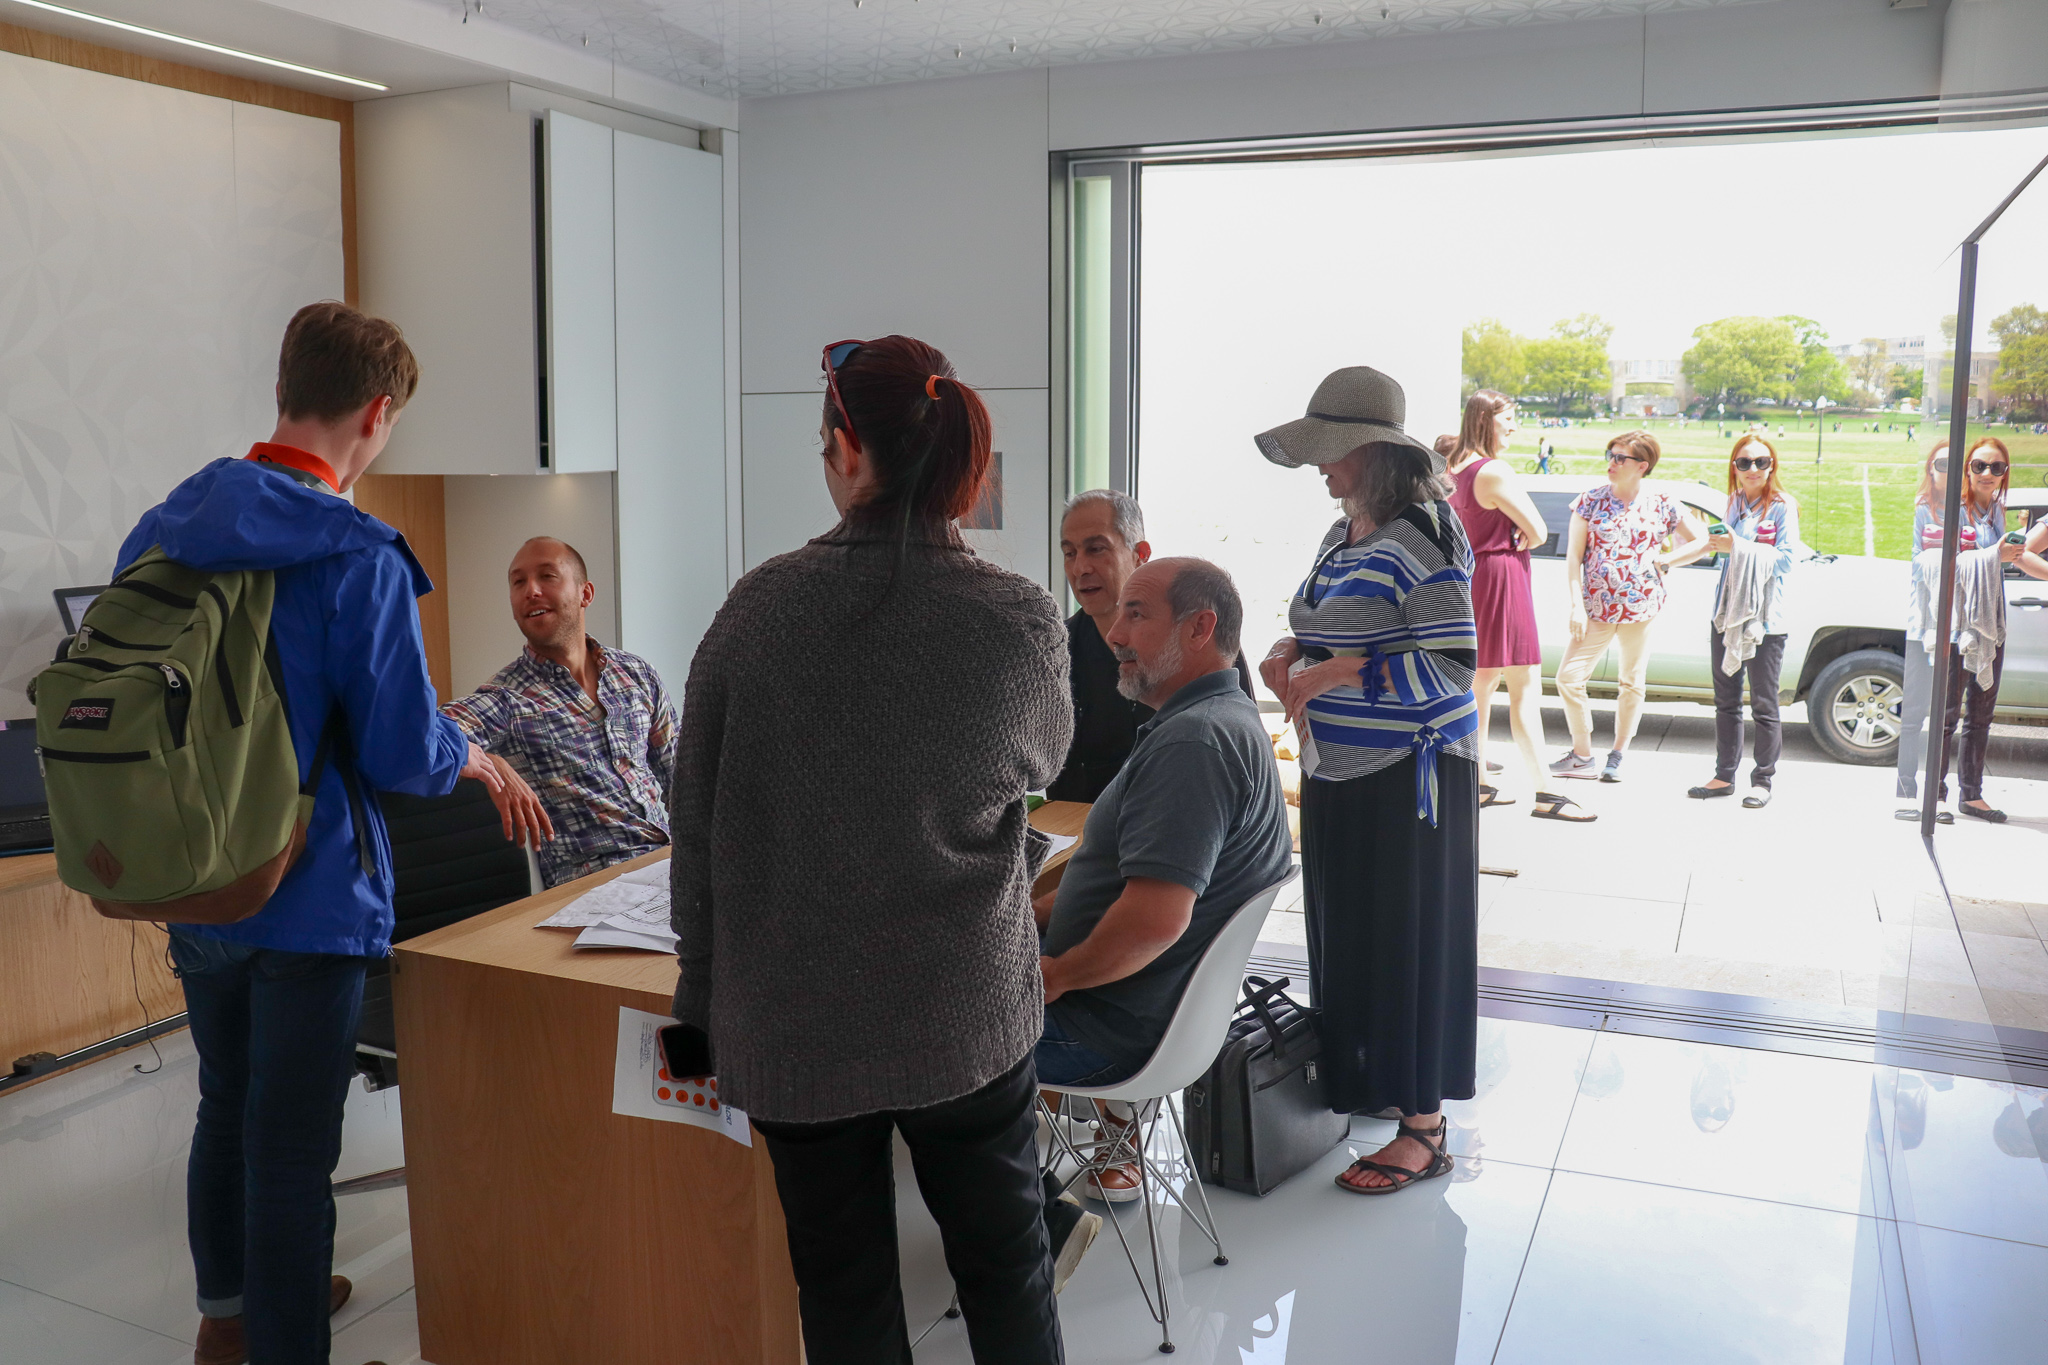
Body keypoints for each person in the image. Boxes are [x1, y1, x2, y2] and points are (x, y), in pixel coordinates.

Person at [120, 302, 510, 1365]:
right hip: (310, 888)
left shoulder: (164, 523)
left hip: (191, 875)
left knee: (224, 1105)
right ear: (377, 414)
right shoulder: (358, 551)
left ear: (286, 389)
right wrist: (463, 750)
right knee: (291, 1147)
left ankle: (227, 1318)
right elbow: (398, 751)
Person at [668, 335, 1070, 1364]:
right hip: (965, 1006)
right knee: (1007, 1271)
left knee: (842, 1293)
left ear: (848, 451)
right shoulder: (1019, 617)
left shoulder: (758, 610)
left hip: (796, 1022)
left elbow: (696, 825)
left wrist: (698, 999)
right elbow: (1041, 760)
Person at [1253, 365, 1479, 1196]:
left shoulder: (1425, 534)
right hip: (1339, 768)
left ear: (1371, 451)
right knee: (1352, 940)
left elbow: (1453, 665)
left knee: (1406, 947)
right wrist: (1290, 651)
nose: (1319, 463)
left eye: (1330, 449)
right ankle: (1382, 1083)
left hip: (1408, 779)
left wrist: (1344, 672)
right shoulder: (1344, 529)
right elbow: (1325, 621)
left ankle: (1425, 1128)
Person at [1035, 557, 1291, 1217]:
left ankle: (1014, 1221)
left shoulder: (1194, 744)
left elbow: (1154, 920)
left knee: (906, 1020)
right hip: (1152, 1021)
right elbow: (1122, 889)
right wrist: (1028, 915)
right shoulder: (1224, 716)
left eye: (1136, 614)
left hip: (1106, 1032)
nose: (1115, 633)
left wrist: (1054, 975)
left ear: (1200, 628)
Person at [441, 534, 679, 886]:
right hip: (594, 887)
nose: (531, 590)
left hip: (669, 866)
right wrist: (489, 761)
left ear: (585, 593)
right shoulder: (507, 699)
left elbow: (682, 782)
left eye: (547, 576)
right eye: (518, 582)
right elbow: (421, 736)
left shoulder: (636, 674)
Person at [1049, 490, 1256, 802]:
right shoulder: (1056, 653)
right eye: (1069, 553)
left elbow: (1240, 746)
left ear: (1140, 553)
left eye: (1096, 549)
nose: (1080, 568)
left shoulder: (1198, 641)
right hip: (1079, 827)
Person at [1446, 390, 1590, 822]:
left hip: (1473, 578)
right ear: (1487, 420)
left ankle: (1477, 782)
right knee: (1525, 689)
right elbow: (1540, 531)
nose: (1514, 426)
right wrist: (1520, 533)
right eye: (1509, 418)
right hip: (1503, 579)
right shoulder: (1494, 471)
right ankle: (1547, 792)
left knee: (1480, 688)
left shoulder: (1454, 467)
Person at [1551, 430, 1708, 784]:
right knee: (1569, 678)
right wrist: (1576, 607)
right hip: (1595, 608)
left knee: (1632, 682)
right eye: (1610, 454)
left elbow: (1702, 541)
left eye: (1620, 457)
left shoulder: (1663, 503)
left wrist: (1667, 560)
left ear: (1642, 466)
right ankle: (1582, 755)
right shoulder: (1590, 501)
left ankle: (1618, 755)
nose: (1612, 462)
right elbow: (1574, 557)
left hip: (1642, 607)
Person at [1913, 437, 2026, 822]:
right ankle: (1936, 795)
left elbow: (2005, 561)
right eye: (1979, 466)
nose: (1987, 474)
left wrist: (2006, 554)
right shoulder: (1949, 509)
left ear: (2005, 473)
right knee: (1946, 714)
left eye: (1997, 467)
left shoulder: (1997, 510)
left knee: (1981, 713)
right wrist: (1994, 555)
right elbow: (1932, 563)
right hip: (1956, 624)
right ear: (1967, 469)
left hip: (1990, 623)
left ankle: (1972, 795)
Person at [1688, 436, 1802, 809]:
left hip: (1766, 621)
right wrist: (1671, 558)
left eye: (1761, 462)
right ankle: (1724, 776)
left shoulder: (1783, 506)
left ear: (1772, 465)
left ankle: (1762, 781)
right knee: (1726, 701)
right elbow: (1716, 549)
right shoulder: (1734, 503)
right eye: (1744, 462)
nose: (1753, 469)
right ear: (1734, 467)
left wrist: (1738, 547)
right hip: (1728, 614)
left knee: (1764, 704)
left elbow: (1787, 560)